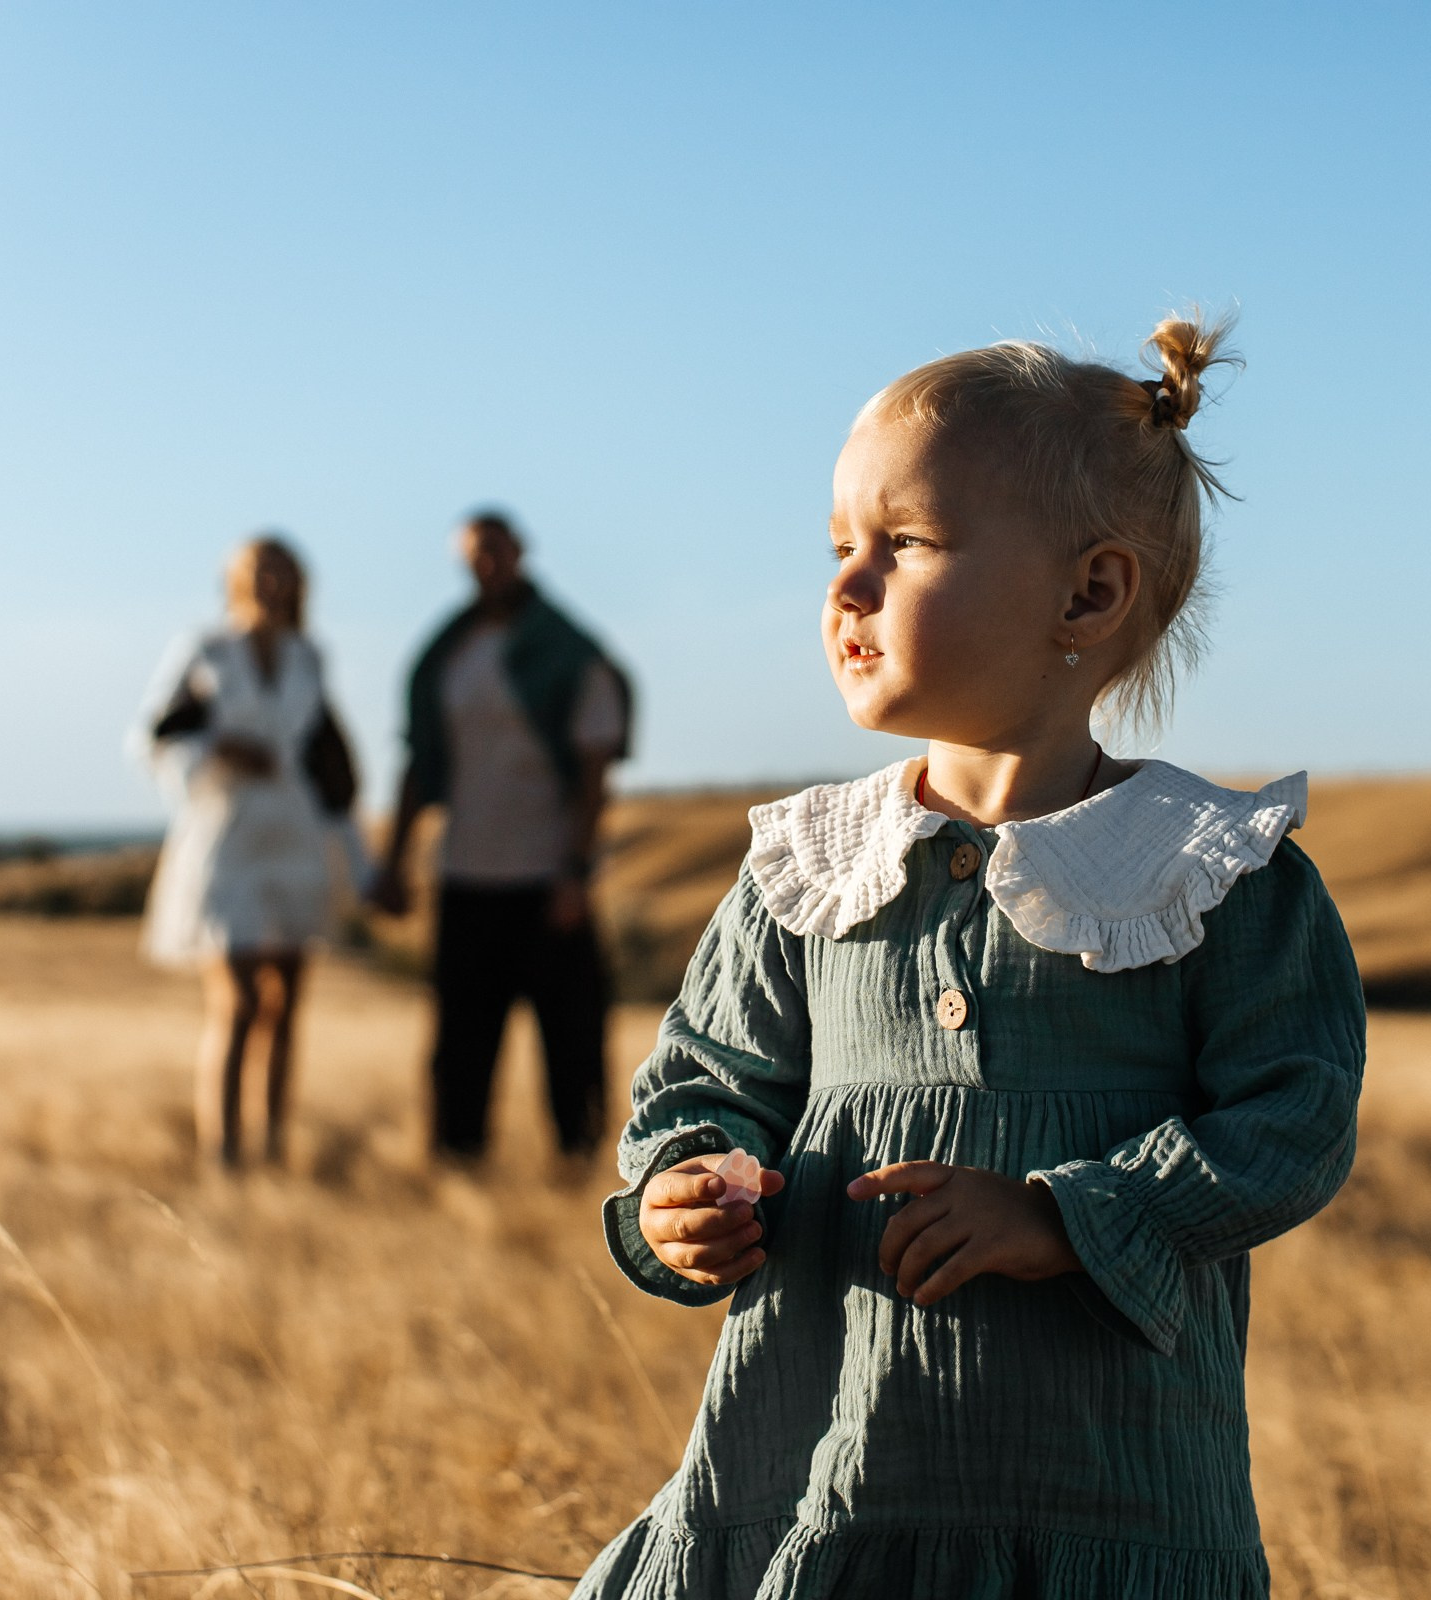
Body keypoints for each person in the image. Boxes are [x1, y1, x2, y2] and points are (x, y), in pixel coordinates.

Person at [575, 315, 1366, 1598]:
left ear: (1087, 593)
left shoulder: (1211, 872)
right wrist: (689, 1184)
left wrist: (1069, 1215)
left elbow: (1296, 1120)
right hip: (816, 1471)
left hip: (1106, 1494)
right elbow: (704, 1081)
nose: (846, 586)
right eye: (840, 547)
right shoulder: (812, 866)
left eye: (907, 546)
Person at [370, 511, 633, 1166]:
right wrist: (395, 861)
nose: (484, 564)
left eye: (494, 550)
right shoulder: (445, 655)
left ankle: (578, 1168)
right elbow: (418, 759)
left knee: (570, 1040)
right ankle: (457, 1169)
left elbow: (595, 767)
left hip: (547, 875)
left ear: (518, 552)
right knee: (460, 1044)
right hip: (465, 870)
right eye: (471, 554)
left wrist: (575, 868)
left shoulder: (568, 651)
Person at [135, 535, 364, 1168]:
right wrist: (218, 749)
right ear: (236, 578)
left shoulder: (310, 656)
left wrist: (359, 860)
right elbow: (151, 735)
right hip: (227, 835)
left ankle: (272, 1150)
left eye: (282, 570)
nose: (271, 581)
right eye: (259, 569)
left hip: (294, 834)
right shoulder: (204, 649)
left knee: (286, 1002)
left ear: (297, 582)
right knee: (235, 1000)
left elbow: (327, 763)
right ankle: (222, 1155)